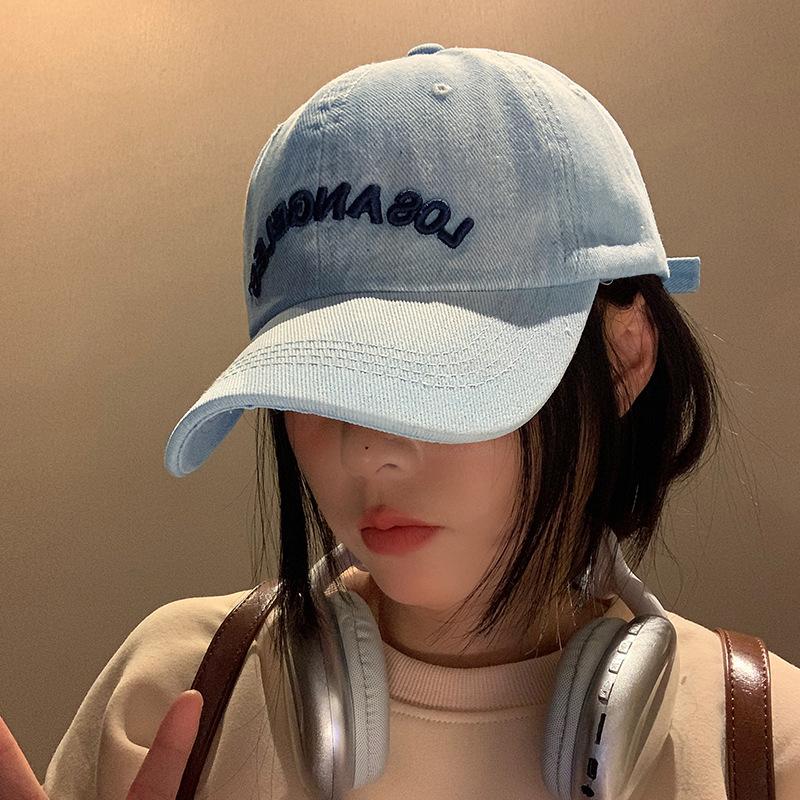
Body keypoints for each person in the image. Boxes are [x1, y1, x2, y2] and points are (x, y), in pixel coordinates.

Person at [22, 42, 800, 799]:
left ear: (624, 358)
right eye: (317, 380)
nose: (366, 449)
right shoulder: (172, 696)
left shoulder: (767, 749)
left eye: (442, 373)